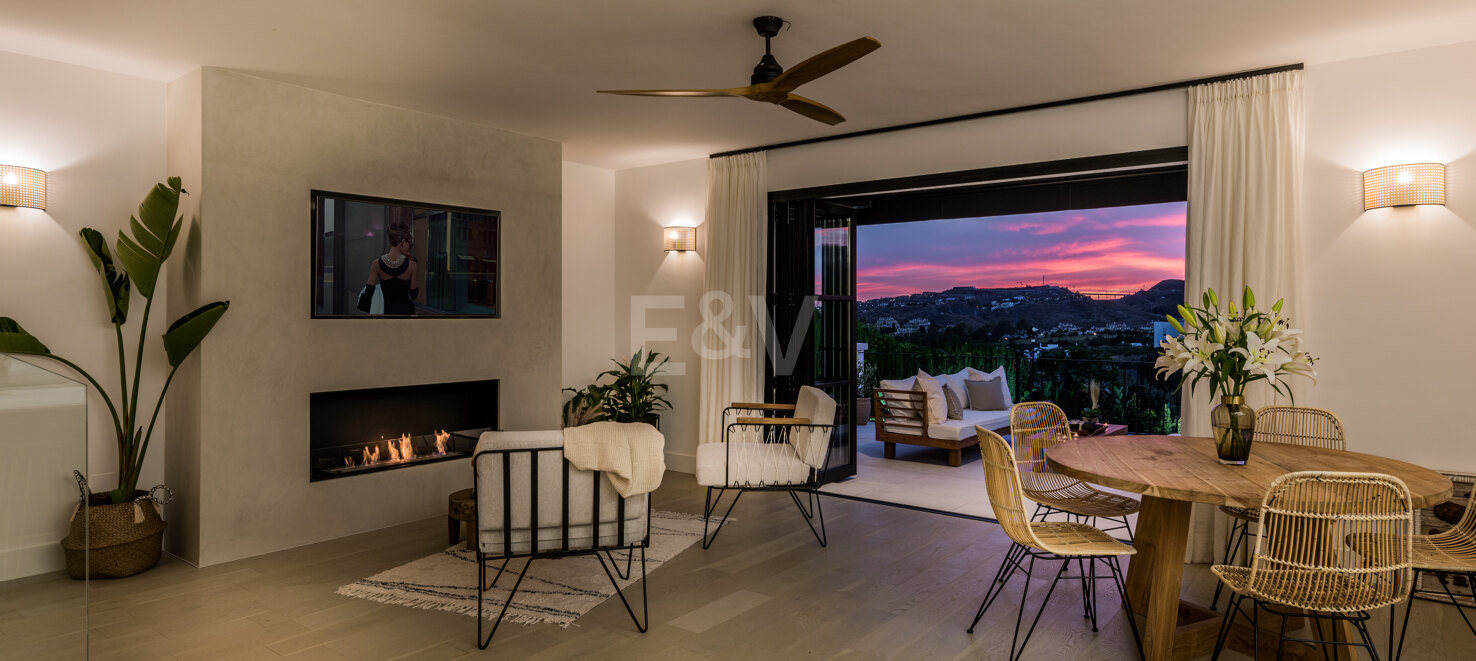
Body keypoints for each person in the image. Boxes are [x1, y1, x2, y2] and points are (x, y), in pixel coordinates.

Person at [362, 221, 419, 315]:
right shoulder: (412, 265)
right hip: (406, 313)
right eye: (410, 244)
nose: (410, 247)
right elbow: (414, 295)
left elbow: (368, 294)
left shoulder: (376, 264)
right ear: (403, 242)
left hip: (385, 312)